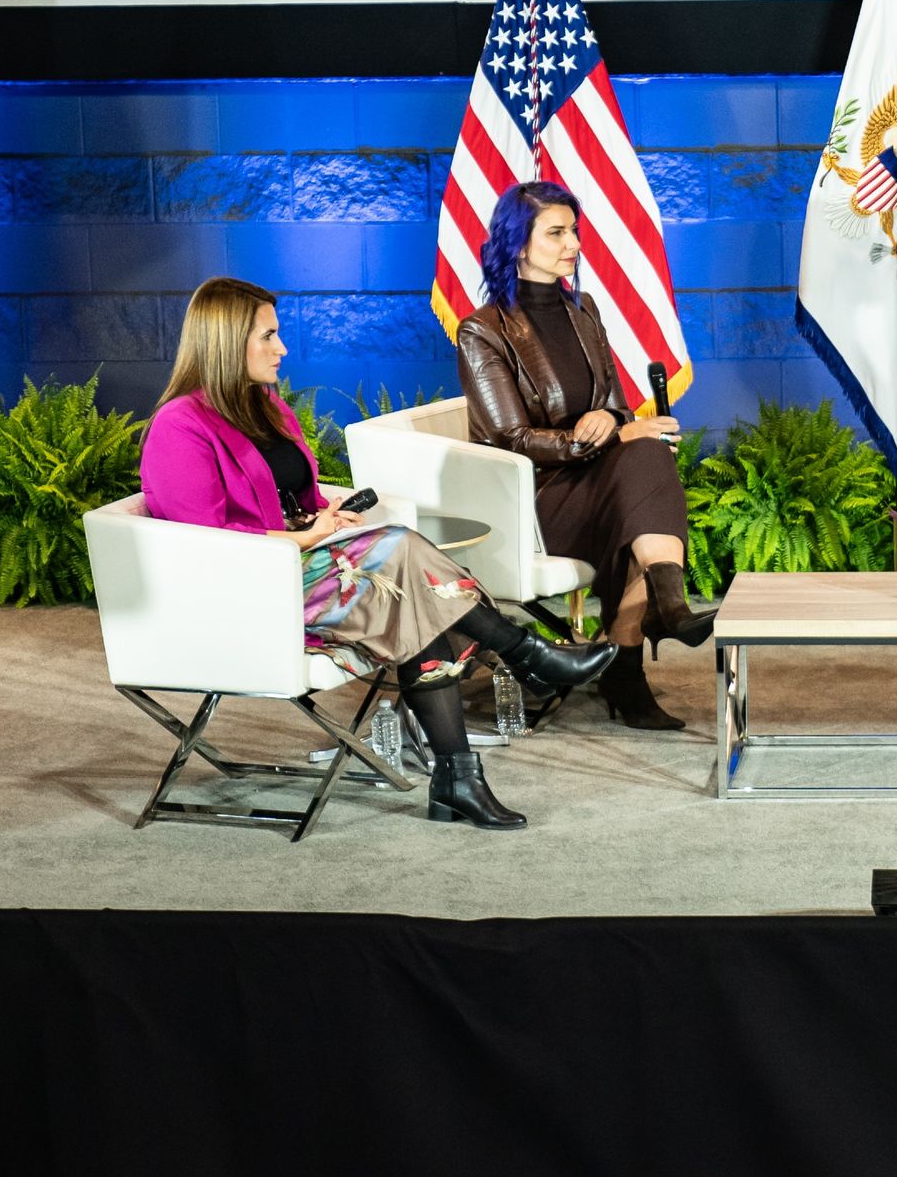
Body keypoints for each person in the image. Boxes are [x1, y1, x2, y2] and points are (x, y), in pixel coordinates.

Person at [140, 276, 616, 828]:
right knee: (402, 555)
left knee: (411, 599)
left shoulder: (265, 408)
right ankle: (521, 656)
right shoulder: (179, 426)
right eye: (267, 336)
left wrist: (323, 517)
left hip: (304, 568)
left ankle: (459, 775)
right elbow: (204, 545)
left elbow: (292, 501)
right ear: (224, 342)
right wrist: (304, 539)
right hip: (246, 592)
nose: (282, 348)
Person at [457, 181, 716, 731]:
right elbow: (509, 439)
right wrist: (600, 437)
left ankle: (662, 609)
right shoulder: (482, 331)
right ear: (517, 243)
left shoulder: (584, 309)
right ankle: (644, 642)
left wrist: (615, 423)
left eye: (573, 231)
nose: (573, 244)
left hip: (598, 480)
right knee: (640, 464)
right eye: (556, 233)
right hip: (536, 497)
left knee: (647, 456)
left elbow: (615, 406)